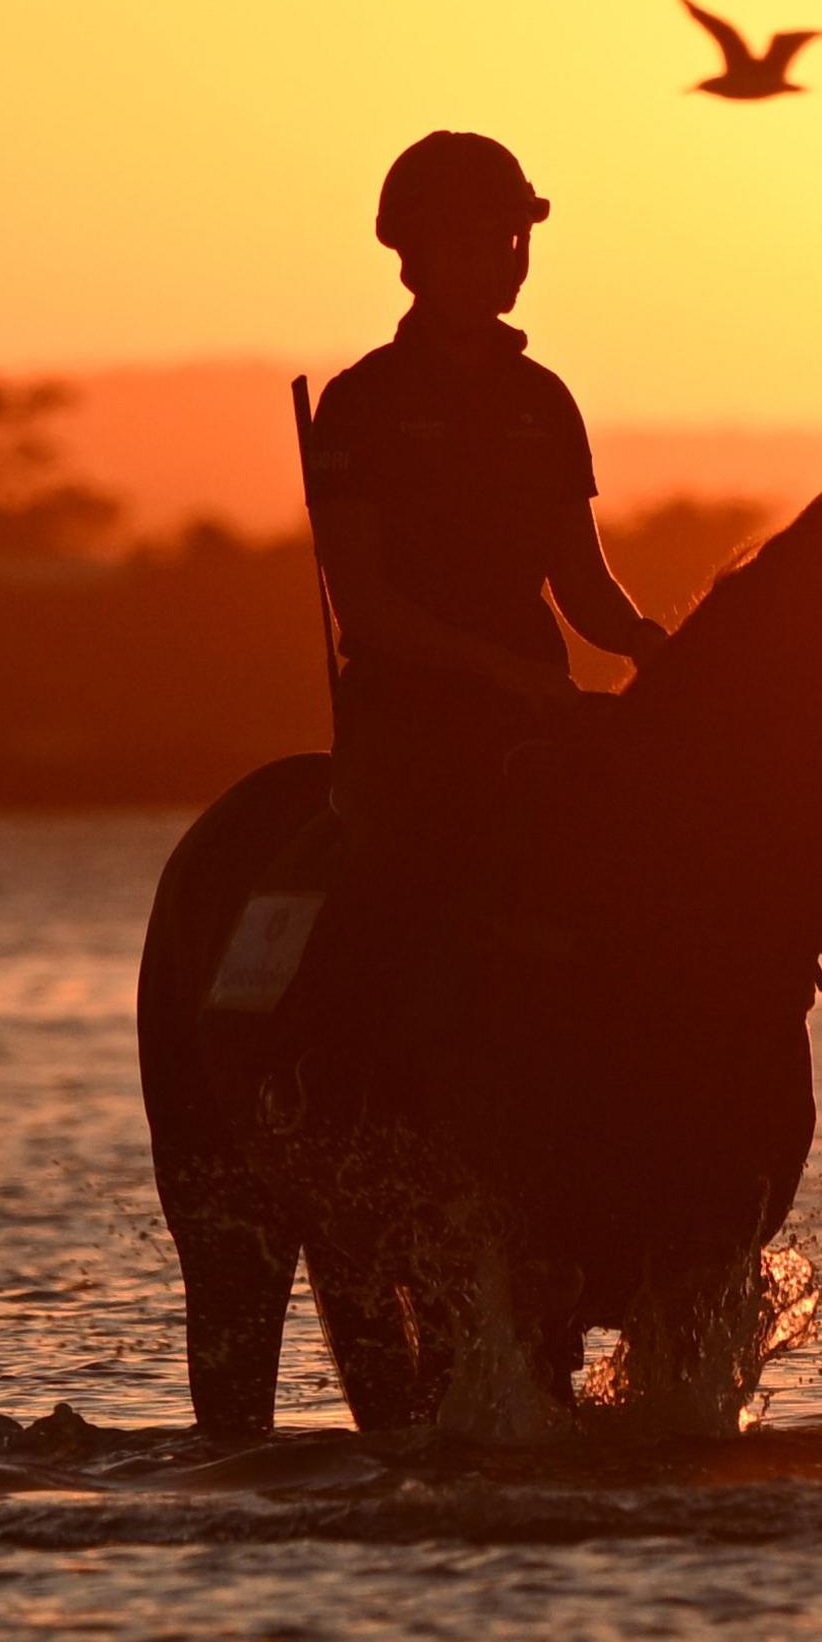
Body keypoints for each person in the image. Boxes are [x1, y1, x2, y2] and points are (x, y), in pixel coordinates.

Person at [294, 130, 667, 1084]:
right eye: (475, 241)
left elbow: (582, 586)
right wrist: (505, 672)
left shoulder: (545, 403)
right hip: (407, 724)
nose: (502, 262)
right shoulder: (361, 405)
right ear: (415, 256)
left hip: (533, 715)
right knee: (392, 899)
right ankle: (324, 1093)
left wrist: (652, 645)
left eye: (511, 240)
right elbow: (367, 610)